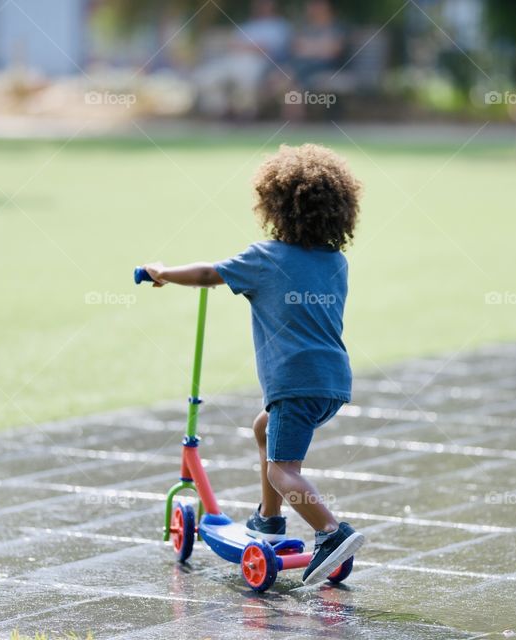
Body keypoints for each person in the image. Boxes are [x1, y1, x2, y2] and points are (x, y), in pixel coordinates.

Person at [142, 144, 365, 585]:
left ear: (276, 207)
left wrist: (164, 272)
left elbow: (210, 274)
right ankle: (268, 520)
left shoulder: (265, 259)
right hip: (333, 381)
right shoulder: (336, 262)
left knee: (284, 469)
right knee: (264, 429)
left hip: (294, 384)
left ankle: (331, 532)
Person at [193, 0, 291, 119]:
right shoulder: (247, 25)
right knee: (205, 77)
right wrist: (248, 46)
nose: (261, 6)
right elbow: (231, 45)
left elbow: (267, 48)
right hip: (232, 59)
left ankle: (245, 114)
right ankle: (221, 113)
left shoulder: (279, 26)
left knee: (244, 78)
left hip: (259, 62)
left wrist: (245, 47)